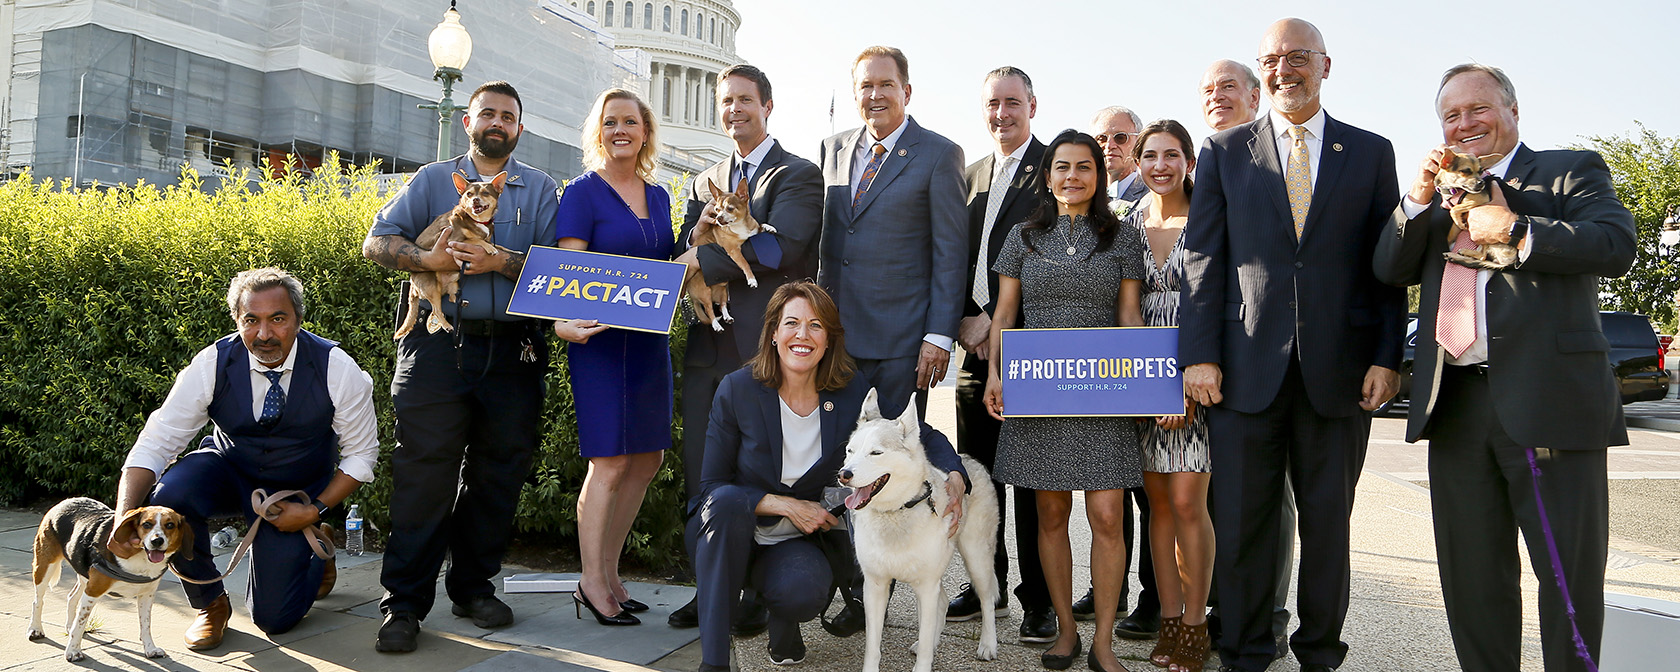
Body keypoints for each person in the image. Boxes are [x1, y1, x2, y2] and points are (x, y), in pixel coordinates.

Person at [1373, 64, 1635, 672]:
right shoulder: (1441, 193)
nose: (1465, 125)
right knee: (1473, 583)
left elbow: (1614, 244)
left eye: (1478, 109)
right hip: (1457, 406)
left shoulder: (1568, 170)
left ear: (1513, 111)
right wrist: (1413, 201)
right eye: (1451, 116)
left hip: (1550, 406)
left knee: (1567, 583)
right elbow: (1389, 268)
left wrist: (1518, 229)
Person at [1179, 19, 1404, 672]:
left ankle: (1319, 655)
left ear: (1325, 66)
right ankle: (1246, 653)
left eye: (1298, 56)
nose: (1285, 69)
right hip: (1244, 377)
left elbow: (1385, 268)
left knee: (1328, 531)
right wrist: (1199, 355)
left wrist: (1388, 356)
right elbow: (1202, 259)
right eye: (1272, 58)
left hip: (1340, 378)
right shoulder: (1223, 151)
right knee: (1245, 531)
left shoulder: (1370, 153)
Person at [363, 80, 559, 652]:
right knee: (424, 474)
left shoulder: (542, 189)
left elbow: (557, 273)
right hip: (435, 347)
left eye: (509, 116)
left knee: (498, 476)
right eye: (488, 113)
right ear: (469, 121)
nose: (498, 122)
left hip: (514, 349)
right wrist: (427, 258)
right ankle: (403, 603)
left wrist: (501, 260)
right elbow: (377, 243)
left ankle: (473, 587)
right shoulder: (429, 181)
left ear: (519, 128)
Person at [690, 281, 968, 672]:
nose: (802, 335)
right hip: (730, 530)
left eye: (816, 325)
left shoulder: (850, 390)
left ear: (828, 340)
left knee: (803, 589)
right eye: (791, 323)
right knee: (725, 505)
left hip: (794, 543)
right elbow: (711, 489)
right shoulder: (738, 390)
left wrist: (954, 473)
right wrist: (785, 504)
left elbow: (919, 433)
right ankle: (714, 664)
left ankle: (783, 621)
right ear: (773, 333)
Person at [114, 268, 378, 649]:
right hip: (228, 471)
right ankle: (211, 605)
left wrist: (315, 509)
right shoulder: (212, 363)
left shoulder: (337, 367)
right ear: (237, 321)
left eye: (278, 319)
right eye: (251, 320)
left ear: (298, 321)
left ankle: (317, 547)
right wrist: (124, 516)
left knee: (275, 619)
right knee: (170, 495)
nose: (264, 334)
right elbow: (156, 443)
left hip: (295, 491)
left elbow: (361, 454)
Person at [667, 64, 824, 632]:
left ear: (768, 105)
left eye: (745, 101)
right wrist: (697, 269)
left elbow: (781, 251)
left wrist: (700, 266)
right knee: (702, 474)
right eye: (726, 101)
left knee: (761, 473)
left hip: (765, 353)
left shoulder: (799, 175)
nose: (735, 110)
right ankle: (707, 589)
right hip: (708, 350)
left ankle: (757, 592)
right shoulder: (702, 179)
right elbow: (693, 243)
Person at [984, 130, 1148, 672]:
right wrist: (995, 376)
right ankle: (1064, 632)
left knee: (1107, 513)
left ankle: (1102, 640)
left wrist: (1145, 383)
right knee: (1050, 513)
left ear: (1098, 175)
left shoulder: (1121, 237)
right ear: (1048, 175)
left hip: (1103, 389)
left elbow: (1129, 316)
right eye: (1062, 167)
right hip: (1038, 389)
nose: (1072, 176)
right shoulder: (1023, 237)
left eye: (1084, 167)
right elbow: (1005, 315)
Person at [551, 88, 676, 627]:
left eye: (630, 121)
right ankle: (590, 581)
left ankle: (611, 571)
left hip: (648, 343)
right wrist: (561, 322)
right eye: (610, 122)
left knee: (648, 460)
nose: (620, 130)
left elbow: (669, 266)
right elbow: (568, 272)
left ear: (645, 131)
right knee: (610, 461)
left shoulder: (662, 195)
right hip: (600, 345)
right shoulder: (581, 193)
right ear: (597, 132)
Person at [948, 65, 1055, 644]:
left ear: (1032, 105)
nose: (1002, 114)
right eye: (993, 103)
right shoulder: (969, 176)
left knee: (1034, 482)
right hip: (974, 353)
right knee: (980, 477)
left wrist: (999, 319)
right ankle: (985, 582)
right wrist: (965, 321)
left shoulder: (1056, 170)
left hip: (1032, 349)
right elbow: (954, 257)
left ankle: (1038, 600)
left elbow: (1061, 257)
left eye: (1013, 102)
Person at [1197, 57, 1295, 660]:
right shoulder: (1201, 159)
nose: (1217, 97)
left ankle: (1264, 613)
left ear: (1257, 97)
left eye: (1229, 88)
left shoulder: (1283, 161)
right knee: (1208, 501)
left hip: (1260, 366)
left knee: (1263, 502)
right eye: (1207, 90)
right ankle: (1207, 607)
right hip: (1202, 364)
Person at [816, 45, 967, 421]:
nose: (876, 95)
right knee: (837, 455)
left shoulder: (939, 154)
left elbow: (951, 253)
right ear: (855, 95)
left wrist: (938, 336)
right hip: (835, 336)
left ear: (907, 92)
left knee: (893, 461)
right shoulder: (832, 149)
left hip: (902, 346)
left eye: (887, 84)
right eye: (866, 86)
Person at [1123, 119, 1213, 672]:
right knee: (1157, 506)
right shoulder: (1128, 223)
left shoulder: (1208, 220)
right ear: (1138, 164)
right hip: (1139, 380)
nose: (1160, 165)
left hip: (1192, 376)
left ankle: (1198, 625)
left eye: (1172, 155)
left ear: (1189, 161)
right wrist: (1141, 385)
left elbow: (1216, 303)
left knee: (1187, 503)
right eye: (1150, 155)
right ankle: (1170, 618)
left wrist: (1185, 383)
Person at [1074, 104, 1160, 641]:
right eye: (1100, 137)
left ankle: (1154, 597)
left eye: (1120, 136)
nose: (1109, 144)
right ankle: (1113, 589)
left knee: (1151, 495)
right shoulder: (1086, 205)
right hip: (1092, 368)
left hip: (1144, 361)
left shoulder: (1152, 199)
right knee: (1109, 494)